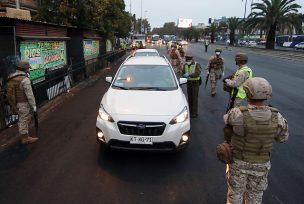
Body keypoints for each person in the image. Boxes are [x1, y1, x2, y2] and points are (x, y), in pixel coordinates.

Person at [223, 77, 289, 204]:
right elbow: (282, 138)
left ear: (247, 92)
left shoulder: (237, 113)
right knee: (255, 196)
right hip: (261, 164)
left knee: (235, 194)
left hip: (239, 162)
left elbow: (227, 127)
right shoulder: (277, 117)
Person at [6, 60, 38, 144]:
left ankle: (24, 132)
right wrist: (34, 105)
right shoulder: (25, 79)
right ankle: (25, 138)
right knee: (24, 119)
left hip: (16, 102)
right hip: (24, 103)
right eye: (28, 68)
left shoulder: (11, 76)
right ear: (24, 69)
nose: (28, 69)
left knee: (22, 118)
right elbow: (29, 95)